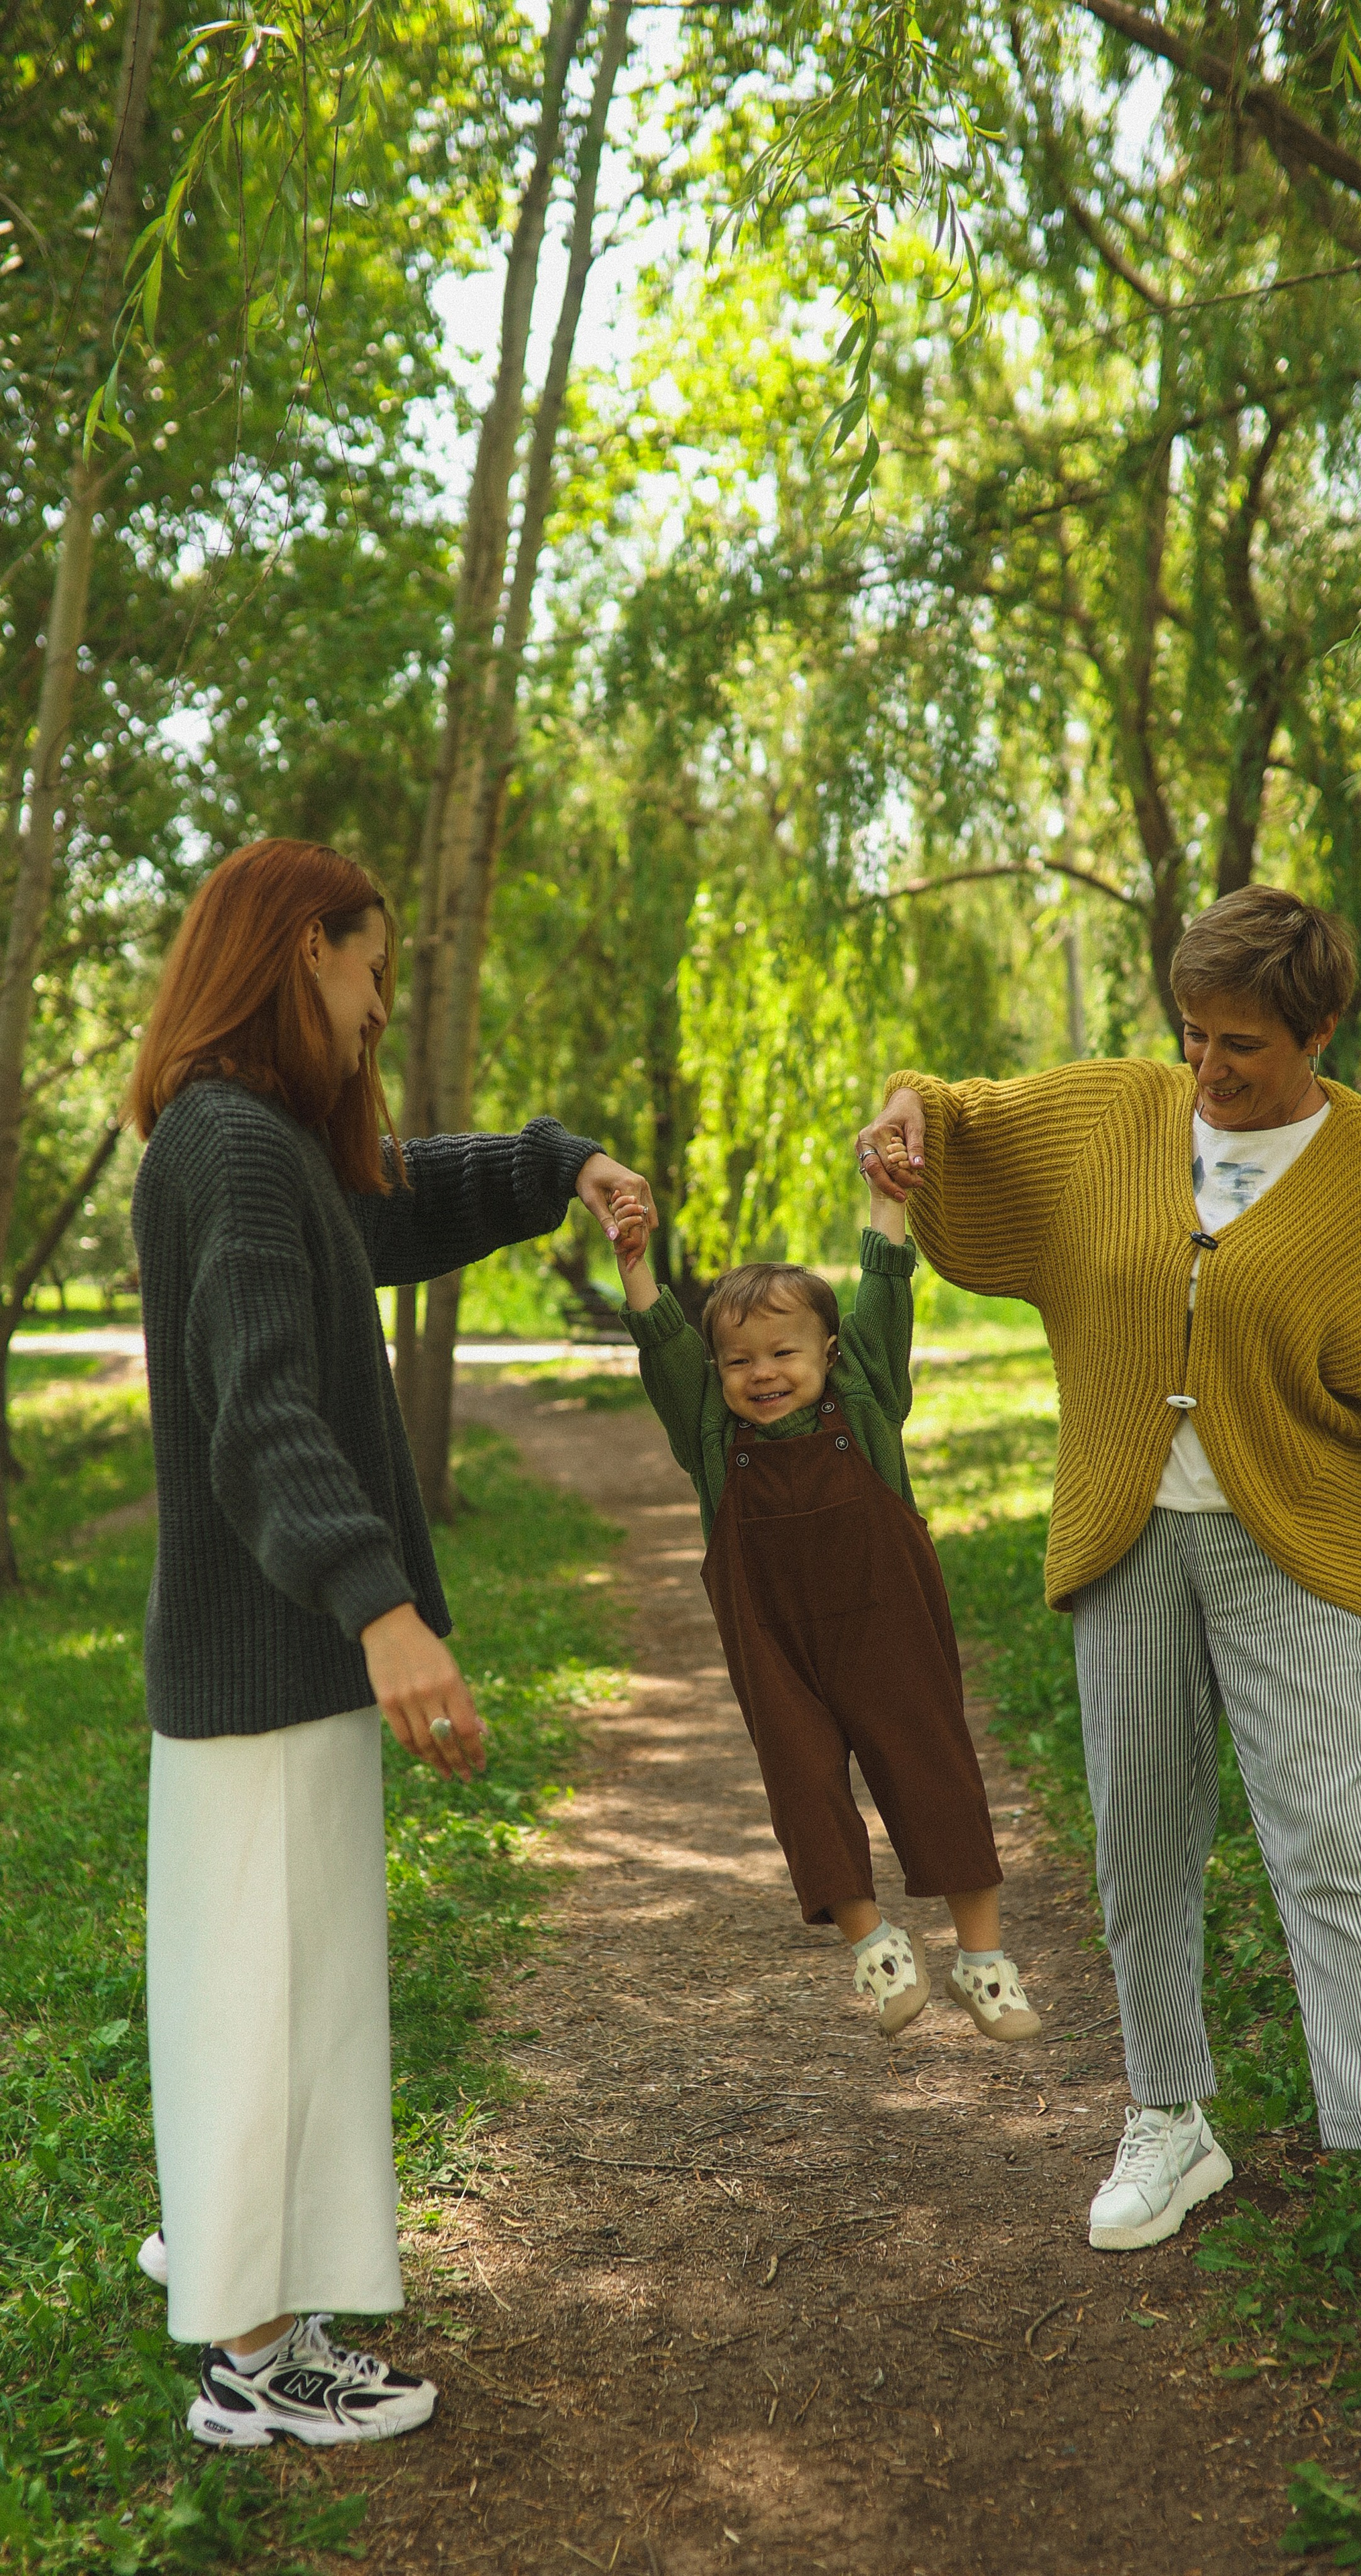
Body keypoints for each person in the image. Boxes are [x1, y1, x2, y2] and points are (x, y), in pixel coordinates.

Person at [856, 884, 1361, 2283]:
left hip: (1297, 1545)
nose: (1209, 1071)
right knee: (1139, 1844)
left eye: (1241, 1047)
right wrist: (908, 1111)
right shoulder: (1119, 1111)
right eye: (1194, 1036)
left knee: (1328, 1843)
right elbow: (961, 1112)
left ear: (1317, 1029)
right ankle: (1167, 2117)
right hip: (1125, 1534)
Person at [127, 838, 657, 2447]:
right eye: (368, 967)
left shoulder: (260, 1143)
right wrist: (382, 1606)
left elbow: (400, 1195)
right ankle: (254, 2354)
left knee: (265, 1991)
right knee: (269, 1995)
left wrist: (557, 1164)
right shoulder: (227, 1150)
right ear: (303, 952)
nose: (375, 1007)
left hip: (270, 1664)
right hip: (276, 1657)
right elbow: (258, 1416)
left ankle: (229, 2262)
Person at [610, 1151, 1040, 2041]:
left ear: (829, 1352)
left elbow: (882, 1301)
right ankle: (876, 1949)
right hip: (777, 1646)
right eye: (738, 1361)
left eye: (782, 1353)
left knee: (937, 1771)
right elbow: (664, 1348)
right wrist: (634, 1261)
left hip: (889, 1627)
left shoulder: (865, 1397)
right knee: (802, 1788)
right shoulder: (710, 1436)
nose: (760, 1374)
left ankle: (982, 1960)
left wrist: (887, 1206)